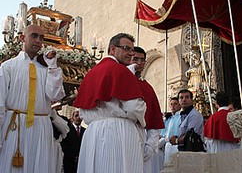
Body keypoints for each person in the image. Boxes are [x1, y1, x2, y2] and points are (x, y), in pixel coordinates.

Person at [73, 33, 147, 173]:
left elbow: (83, 111)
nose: (131, 53)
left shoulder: (91, 73)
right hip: (118, 132)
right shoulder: (120, 70)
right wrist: (139, 120)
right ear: (113, 49)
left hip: (93, 132)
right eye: (126, 48)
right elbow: (134, 107)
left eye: (132, 50)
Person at [0, 24, 65, 172]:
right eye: (34, 36)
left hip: (41, 128)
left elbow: (56, 95)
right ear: (23, 38)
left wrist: (53, 67)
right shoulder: (8, 67)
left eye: (41, 38)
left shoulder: (47, 69)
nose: (38, 41)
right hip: (15, 127)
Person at [129, 46, 164, 173]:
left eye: (142, 60)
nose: (139, 63)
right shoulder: (122, 81)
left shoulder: (147, 88)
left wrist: (150, 145)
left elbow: (154, 121)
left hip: (140, 138)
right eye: (135, 59)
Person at [159, 97, 181, 165]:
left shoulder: (181, 117)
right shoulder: (168, 118)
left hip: (175, 145)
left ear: (179, 105)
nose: (173, 106)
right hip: (165, 145)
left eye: (175, 104)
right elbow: (163, 132)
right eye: (171, 104)